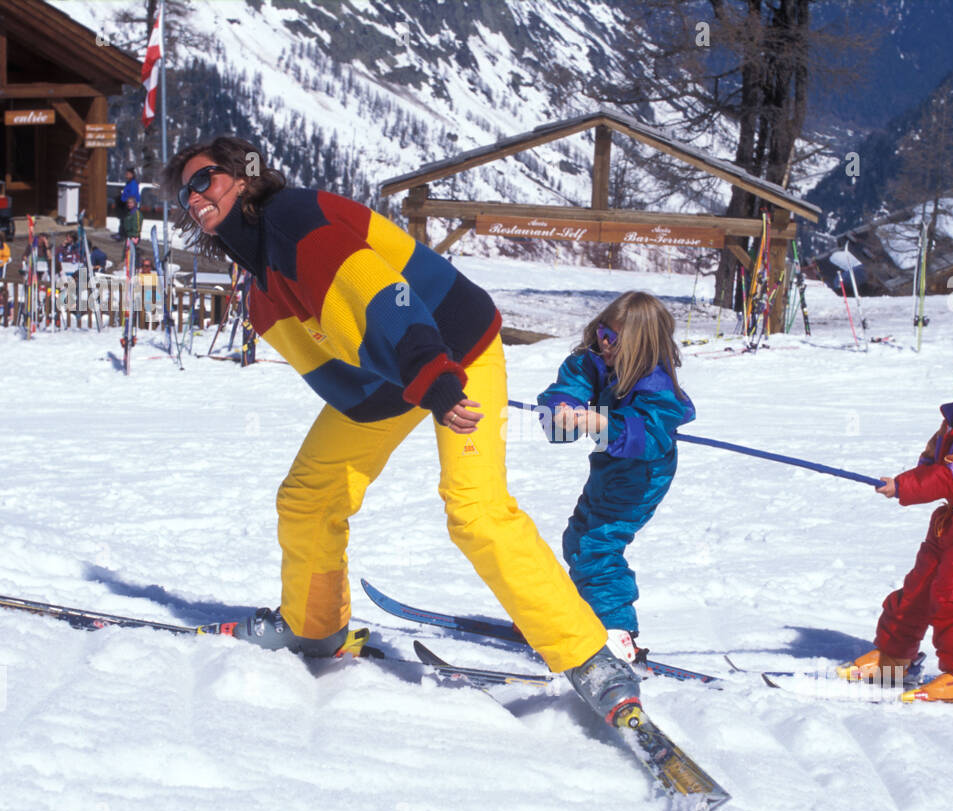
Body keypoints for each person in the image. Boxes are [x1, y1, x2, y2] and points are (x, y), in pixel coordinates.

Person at [160, 137, 642, 720]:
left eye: (204, 179)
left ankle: (590, 656)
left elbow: (380, 296)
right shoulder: (260, 280)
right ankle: (313, 627)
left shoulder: (293, 219)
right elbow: (337, 353)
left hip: (453, 352)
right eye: (184, 193)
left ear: (242, 176)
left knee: (475, 510)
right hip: (396, 377)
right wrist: (408, 377)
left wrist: (430, 373)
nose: (193, 198)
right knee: (309, 494)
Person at [838, 356, 953, 703]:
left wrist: (906, 487)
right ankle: (895, 658)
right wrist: (905, 481)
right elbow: (932, 462)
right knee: (918, 589)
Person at [536, 292, 694, 658]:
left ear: (641, 345)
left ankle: (616, 632)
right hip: (608, 466)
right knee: (578, 538)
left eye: (613, 338)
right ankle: (586, 615)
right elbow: (570, 385)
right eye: (602, 332)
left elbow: (649, 435)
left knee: (598, 545)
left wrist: (602, 424)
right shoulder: (594, 360)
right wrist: (563, 410)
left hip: (643, 474)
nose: (604, 343)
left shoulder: (656, 384)